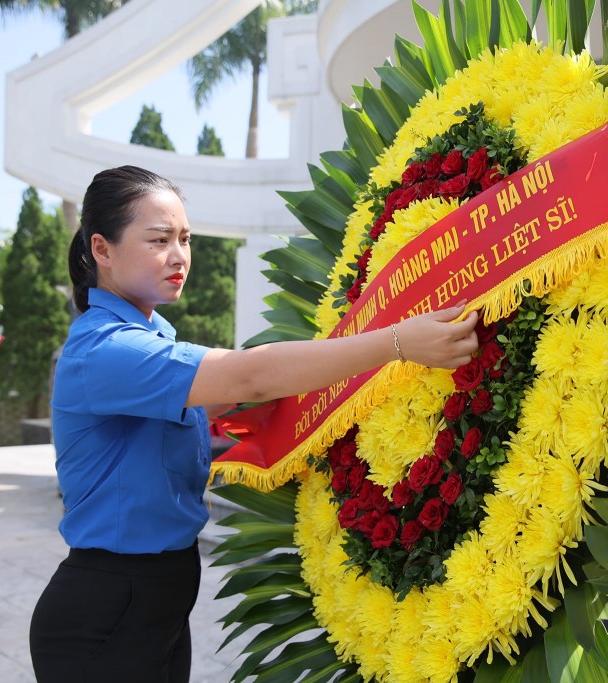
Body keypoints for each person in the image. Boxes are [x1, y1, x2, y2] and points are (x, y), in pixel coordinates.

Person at [28, 165, 479, 682]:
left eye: (184, 238)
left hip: (156, 596)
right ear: (101, 250)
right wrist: (397, 343)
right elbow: (250, 378)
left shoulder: (151, 339)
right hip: (107, 607)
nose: (179, 256)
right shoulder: (106, 350)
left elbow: (230, 399)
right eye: (159, 240)